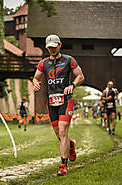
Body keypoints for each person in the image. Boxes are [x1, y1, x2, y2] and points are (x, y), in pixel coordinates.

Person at [33, 34, 85, 175]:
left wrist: (72, 85)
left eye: (54, 47)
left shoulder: (69, 60)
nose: (52, 49)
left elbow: (80, 76)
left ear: (59, 45)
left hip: (65, 99)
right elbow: (36, 77)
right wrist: (36, 83)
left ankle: (63, 165)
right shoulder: (43, 63)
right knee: (59, 135)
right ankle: (71, 145)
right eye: (49, 47)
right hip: (51, 101)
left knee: (63, 131)